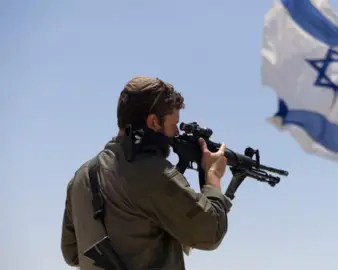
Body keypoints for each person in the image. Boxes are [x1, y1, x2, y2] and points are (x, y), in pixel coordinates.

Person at [61, 76, 232, 270]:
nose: (176, 132)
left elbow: (72, 253)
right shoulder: (155, 174)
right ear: (153, 122)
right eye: (173, 124)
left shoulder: (81, 177)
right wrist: (213, 175)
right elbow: (210, 232)